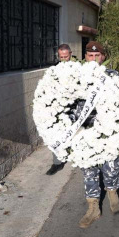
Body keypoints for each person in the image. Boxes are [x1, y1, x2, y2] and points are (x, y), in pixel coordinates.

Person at [77, 41, 119, 229]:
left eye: (97, 56)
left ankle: (112, 191)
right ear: (85, 56)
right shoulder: (77, 77)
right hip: (86, 131)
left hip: (107, 130)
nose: (94, 59)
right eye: (90, 56)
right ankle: (93, 207)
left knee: (110, 165)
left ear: (103, 57)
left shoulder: (112, 76)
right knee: (89, 169)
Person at [46, 44, 76, 175]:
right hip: (59, 107)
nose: (64, 59)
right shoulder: (54, 70)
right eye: (61, 57)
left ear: (70, 54)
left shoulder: (78, 69)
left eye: (66, 57)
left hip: (75, 107)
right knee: (55, 133)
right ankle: (57, 163)